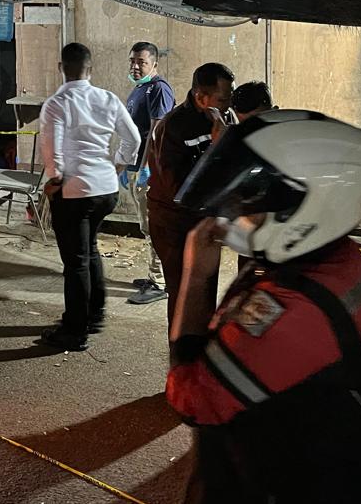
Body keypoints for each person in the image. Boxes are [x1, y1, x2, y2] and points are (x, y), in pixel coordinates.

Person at [164, 110, 361, 504]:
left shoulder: (292, 315)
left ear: (304, 207)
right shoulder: (340, 263)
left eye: (249, 199)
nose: (234, 214)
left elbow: (191, 398)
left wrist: (196, 277)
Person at [38, 43, 140, 351]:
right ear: (90, 69)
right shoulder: (107, 98)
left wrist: (54, 181)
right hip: (106, 190)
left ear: (61, 68)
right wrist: (118, 164)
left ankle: (75, 331)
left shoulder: (56, 104)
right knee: (89, 249)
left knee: (76, 262)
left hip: (74, 191)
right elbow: (133, 138)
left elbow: (52, 152)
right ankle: (94, 315)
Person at [147, 63, 235, 332]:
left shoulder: (224, 117)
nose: (228, 104)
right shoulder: (173, 127)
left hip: (205, 221)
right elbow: (179, 190)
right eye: (223, 98)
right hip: (175, 224)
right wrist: (216, 148)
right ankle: (181, 351)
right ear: (200, 97)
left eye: (230, 97)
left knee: (206, 290)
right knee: (184, 294)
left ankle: (201, 349)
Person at [123, 41, 175, 306]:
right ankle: (154, 275)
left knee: (154, 227)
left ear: (154, 63)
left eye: (141, 62)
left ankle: (160, 282)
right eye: (133, 60)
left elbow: (156, 133)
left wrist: (145, 167)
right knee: (146, 226)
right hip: (136, 166)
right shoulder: (140, 88)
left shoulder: (159, 89)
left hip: (149, 170)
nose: (135, 66)